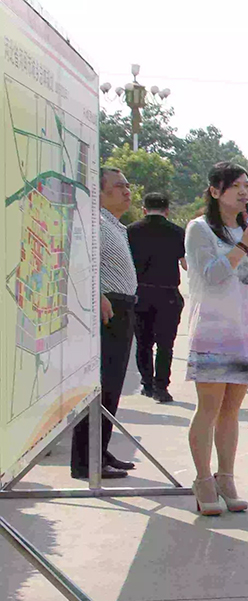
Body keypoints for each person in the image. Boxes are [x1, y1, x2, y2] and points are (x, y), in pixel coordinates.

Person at [184, 161, 248, 515]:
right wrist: (243, 246)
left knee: (231, 411)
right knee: (209, 408)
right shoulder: (200, 229)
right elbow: (212, 275)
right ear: (215, 191)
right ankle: (203, 479)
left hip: (243, 331)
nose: (244, 192)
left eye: (247, 185)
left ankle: (227, 477)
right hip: (212, 331)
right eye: (236, 185)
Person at [70, 167, 138, 480]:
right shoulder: (92, 221)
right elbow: (80, 261)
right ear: (99, 191)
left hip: (122, 308)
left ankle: (100, 449)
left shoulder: (114, 225)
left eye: (127, 185)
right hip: (105, 309)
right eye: (119, 186)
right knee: (100, 385)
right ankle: (86, 460)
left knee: (112, 386)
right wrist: (97, 293)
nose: (127, 191)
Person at [128, 191, 186, 404]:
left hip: (141, 292)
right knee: (165, 344)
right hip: (168, 293)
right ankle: (161, 387)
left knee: (143, 342)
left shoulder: (131, 231)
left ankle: (147, 384)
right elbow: (185, 263)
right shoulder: (177, 232)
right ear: (167, 211)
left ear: (144, 209)